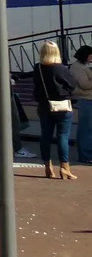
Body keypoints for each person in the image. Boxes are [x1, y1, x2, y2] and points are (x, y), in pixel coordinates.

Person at [33, 40, 77, 180]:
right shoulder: (61, 68)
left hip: (44, 105)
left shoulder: (38, 68)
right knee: (62, 136)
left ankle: (48, 167)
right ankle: (64, 167)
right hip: (62, 105)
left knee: (45, 135)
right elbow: (72, 85)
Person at [70, 46, 92, 165]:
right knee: (86, 129)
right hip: (85, 99)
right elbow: (84, 84)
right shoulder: (77, 67)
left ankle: (87, 154)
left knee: (88, 128)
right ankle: (86, 155)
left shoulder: (83, 66)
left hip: (88, 99)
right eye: (90, 56)